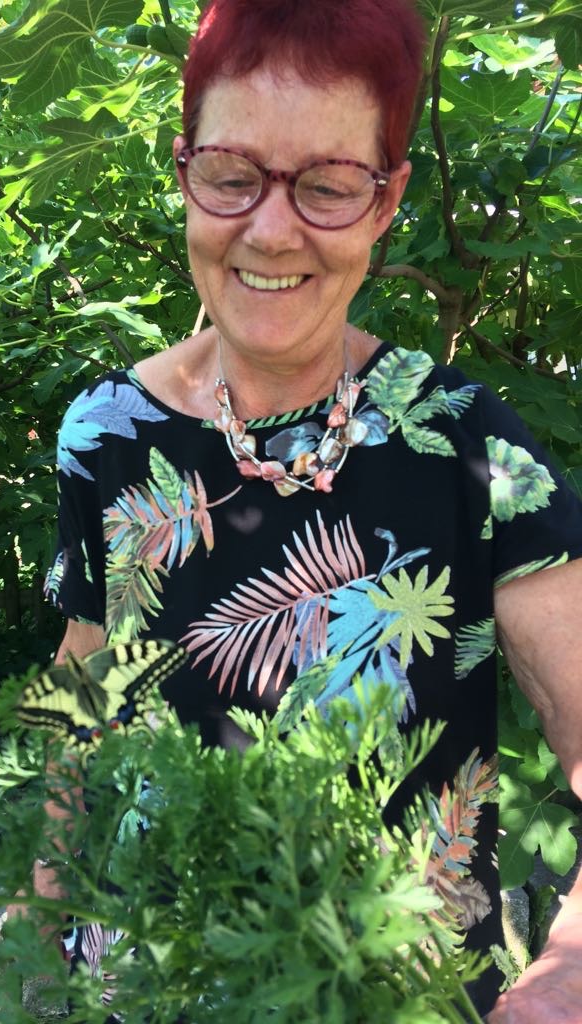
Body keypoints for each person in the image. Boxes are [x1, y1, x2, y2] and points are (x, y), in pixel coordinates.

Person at [43, 0, 582, 1018]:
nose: (271, 227)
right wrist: (39, 895)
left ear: (386, 203)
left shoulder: (464, 444)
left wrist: (568, 970)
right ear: (184, 172)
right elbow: (84, 672)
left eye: (328, 185)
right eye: (231, 174)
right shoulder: (106, 432)